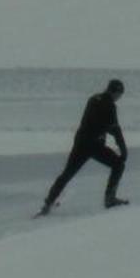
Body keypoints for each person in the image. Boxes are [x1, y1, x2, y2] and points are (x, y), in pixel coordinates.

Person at [39, 79, 130, 215]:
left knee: (67, 173)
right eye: (120, 94)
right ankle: (109, 199)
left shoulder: (93, 99)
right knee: (119, 165)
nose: (119, 97)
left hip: (81, 143)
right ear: (116, 92)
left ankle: (48, 203)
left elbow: (96, 122)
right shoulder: (109, 105)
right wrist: (123, 150)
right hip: (94, 145)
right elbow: (114, 129)